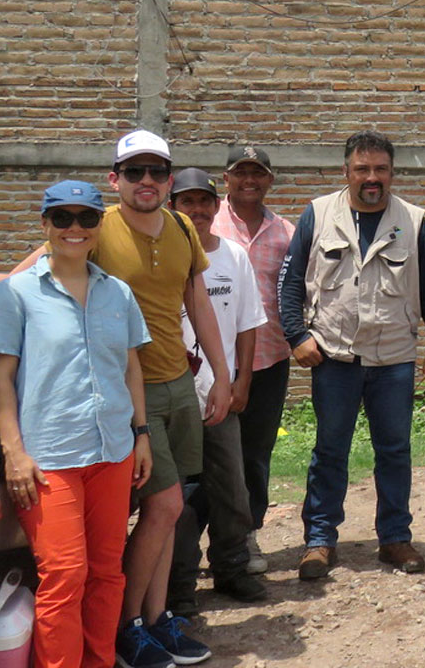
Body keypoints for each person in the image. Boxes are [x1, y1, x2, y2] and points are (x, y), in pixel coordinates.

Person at [16, 130, 233, 668]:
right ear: (115, 179)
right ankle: (126, 626)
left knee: (170, 510)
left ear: (169, 179)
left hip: (177, 382)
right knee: (166, 505)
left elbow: (197, 300)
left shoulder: (182, 226)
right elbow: (26, 278)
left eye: (157, 171)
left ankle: (156, 620)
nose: (146, 181)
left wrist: (221, 375)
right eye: (134, 171)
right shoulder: (94, 226)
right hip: (126, 391)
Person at [0, 180, 153, 668]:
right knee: (64, 574)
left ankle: (99, 660)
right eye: (62, 217)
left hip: (112, 451)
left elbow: (130, 369)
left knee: (107, 571)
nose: (74, 228)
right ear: (45, 224)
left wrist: (142, 434)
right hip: (49, 459)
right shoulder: (15, 294)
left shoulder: (117, 292)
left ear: (99, 226)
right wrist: (14, 453)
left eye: (86, 218)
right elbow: (1, 381)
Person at [278, 131, 425, 579]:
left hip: (393, 358)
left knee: (394, 451)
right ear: (346, 171)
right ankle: (319, 540)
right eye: (362, 169)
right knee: (329, 450)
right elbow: (291, 282)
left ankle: (394, 538)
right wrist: (296, 335)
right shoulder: (318, 214)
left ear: (392, 172)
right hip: (333, 357)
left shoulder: (412, 220)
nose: (372, 178)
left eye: (381, 169)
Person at [167, 168, 268, 614]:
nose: (197, 210)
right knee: (179, 498)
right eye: (187, 202)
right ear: (172, 207)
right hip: (173, 396)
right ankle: (179, 587)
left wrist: (240, 380)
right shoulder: (162, 258)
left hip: (219, 394)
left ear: (216, 206)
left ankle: (231, 568)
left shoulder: (233, 256)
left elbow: (247, 323)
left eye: (204, 202)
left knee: (232, 489)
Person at [211, 145, 296, 576]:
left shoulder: (286, 233)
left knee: (256, 453)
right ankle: (194, 540)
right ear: (226, 178)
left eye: (257, 173)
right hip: (212, 362)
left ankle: (246, 533)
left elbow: (296, 290)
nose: (249, 181)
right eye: (240, 172)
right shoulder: (206, 222)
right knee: (208, 456)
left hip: (268, 360)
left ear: (269, 180)